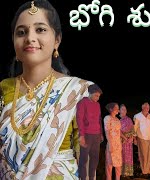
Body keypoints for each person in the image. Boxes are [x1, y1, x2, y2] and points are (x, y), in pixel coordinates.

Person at [0, 0, 94, 179]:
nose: (30, 37)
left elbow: (86, 161)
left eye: (40, 29)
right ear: (14, 41)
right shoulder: (4, 89)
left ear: (57, 40)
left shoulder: (77, 91)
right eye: (21, 32)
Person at [76, 84, 103, 180]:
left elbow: (99, 119)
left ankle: (91, 177)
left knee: (95, 158)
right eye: (96, 95)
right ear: (90, 93)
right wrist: (81, 135)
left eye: (99, 96)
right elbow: (79, 119)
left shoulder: (98, 104)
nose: (98, 98)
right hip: (86, 134)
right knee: (83, 159)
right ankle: (82, 178)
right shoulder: (82, 103)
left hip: (96, 134)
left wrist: (101, 133)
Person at [104, 102, 126, 180]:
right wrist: (110, 144)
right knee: (109, 165)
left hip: (118, 145)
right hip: (111, 143)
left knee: (118, 166)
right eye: (116, 108)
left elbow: (119, 132)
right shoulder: (107, 118)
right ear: (111, 109)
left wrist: (124, 138)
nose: (118, 110)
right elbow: (107, 131)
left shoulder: (117, 120)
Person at [133, 102, 150, 175]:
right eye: (146, 107)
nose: (147, 109)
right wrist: (134, 139)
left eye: (148, 107)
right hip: (141, 138)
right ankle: (145, 171)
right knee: (143, 155)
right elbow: (134, 128)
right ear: (142, 107)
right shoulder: (137, 116)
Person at [119, 104, 135, 177]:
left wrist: (131, 138)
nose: (124, 111)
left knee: (128, 156)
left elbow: (132, 130)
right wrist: (125, 138)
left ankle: (128, 173)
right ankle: (121, 173)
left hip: (129, 142)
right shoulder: (118, 121)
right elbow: (118, 132)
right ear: (119, 111)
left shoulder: (129, 119)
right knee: (122, 156)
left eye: (125, 109)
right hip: (122, 141)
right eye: (122, 109)